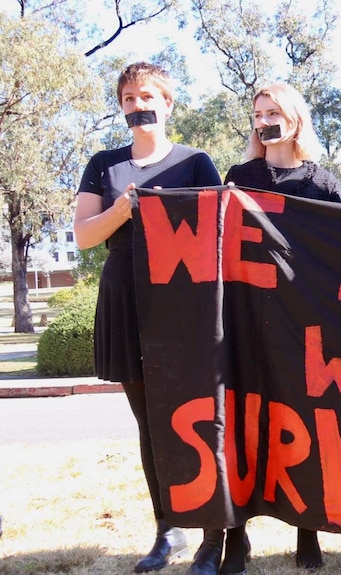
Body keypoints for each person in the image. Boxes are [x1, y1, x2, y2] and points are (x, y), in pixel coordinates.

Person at [183, 82, 341, 575]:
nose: (265, 120)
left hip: (303, 323)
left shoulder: (324, 182)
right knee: (241, 425)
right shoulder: (240, 177)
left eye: (274, 111)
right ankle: (233, 537)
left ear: (295, 117)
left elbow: (339, 255)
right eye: (258, 113)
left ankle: (307, 530)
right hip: (247, 317)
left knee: (305, 424)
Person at [74, 62, 223, 573]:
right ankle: (167, 530)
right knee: (150, 424)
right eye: (130, 98)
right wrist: (122, 211)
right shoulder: (103, 165)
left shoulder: (196, 162)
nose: (139, 105)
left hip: (185, 302)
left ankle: (212, 532)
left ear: (168, 103)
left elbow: (219, 233)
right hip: (125, 294)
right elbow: (85, 236)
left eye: (148, 96)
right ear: (122, 106)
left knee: (197, 418)